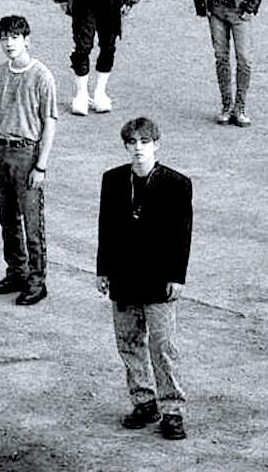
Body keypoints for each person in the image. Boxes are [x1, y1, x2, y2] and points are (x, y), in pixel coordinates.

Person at [96, 117, 193, 440]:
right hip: (123, 275)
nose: (138, 148)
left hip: (158, 277)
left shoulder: (177, 184)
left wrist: (177, 276)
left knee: (163, 345)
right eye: (132, 142)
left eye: (144, 142)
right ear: (125, 146)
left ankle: (173, 410)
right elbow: (105, 228)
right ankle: (144, 401)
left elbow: (182, 235)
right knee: (128, 343)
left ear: (156, 145)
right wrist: (102, 270)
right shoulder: (112, 180)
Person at [0, 15, 58, 306]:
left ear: (27, 40)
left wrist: (41, 165)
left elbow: (50, 123)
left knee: (32, 223)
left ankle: (37, 281)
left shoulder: (42, 76)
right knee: (7, 219)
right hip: (2, 150)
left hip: (28, 153)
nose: (9, 44)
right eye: (4, 38)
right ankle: (16, 272)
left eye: (14, 38)